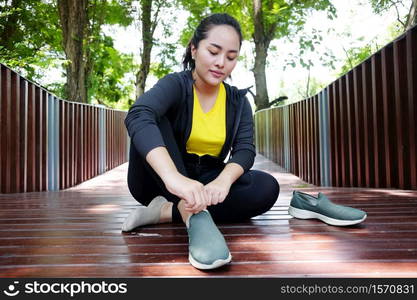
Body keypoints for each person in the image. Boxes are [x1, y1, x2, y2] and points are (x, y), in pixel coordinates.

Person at [123, 13, 280, 270]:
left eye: (231, 57)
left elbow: (244, 150)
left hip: (205, 180)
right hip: (158, 181)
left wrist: (223, 181)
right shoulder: (176, 84)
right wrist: (175, 179)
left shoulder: (238, 101)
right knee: (152, 115)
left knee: (266, 187)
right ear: (194, 49)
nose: (221, 63)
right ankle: (189, 209)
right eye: (214, 52)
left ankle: (168, 212)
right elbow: (138, 115)